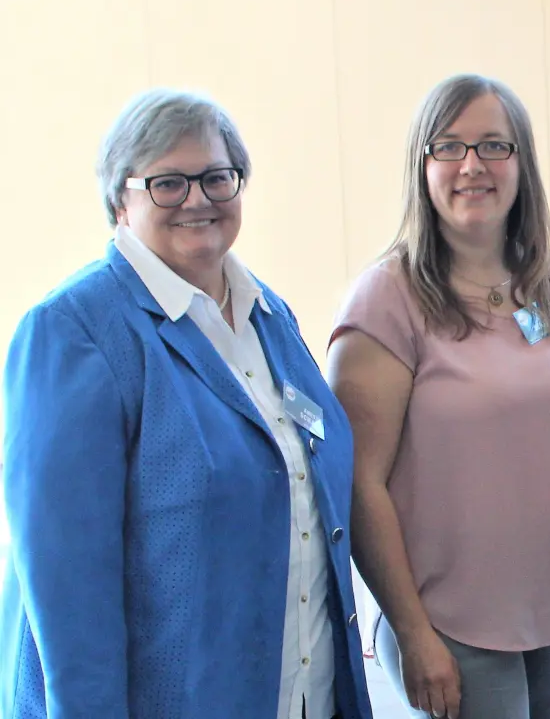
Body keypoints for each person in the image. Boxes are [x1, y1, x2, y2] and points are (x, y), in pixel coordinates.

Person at [0, 90, 373, 719]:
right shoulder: (76, 330)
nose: (198, 199)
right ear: (121, 199)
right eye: (167, 183)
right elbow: (68, 597)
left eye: (216, 177)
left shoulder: (267, 314)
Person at [328, 74, 550, 719]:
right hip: (449, 621)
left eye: (494, 146)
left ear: (522, 163)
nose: (472, 165)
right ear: (424, 165)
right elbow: (358, 483)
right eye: (449, 147)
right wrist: (412, 634)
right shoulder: (387, 301)